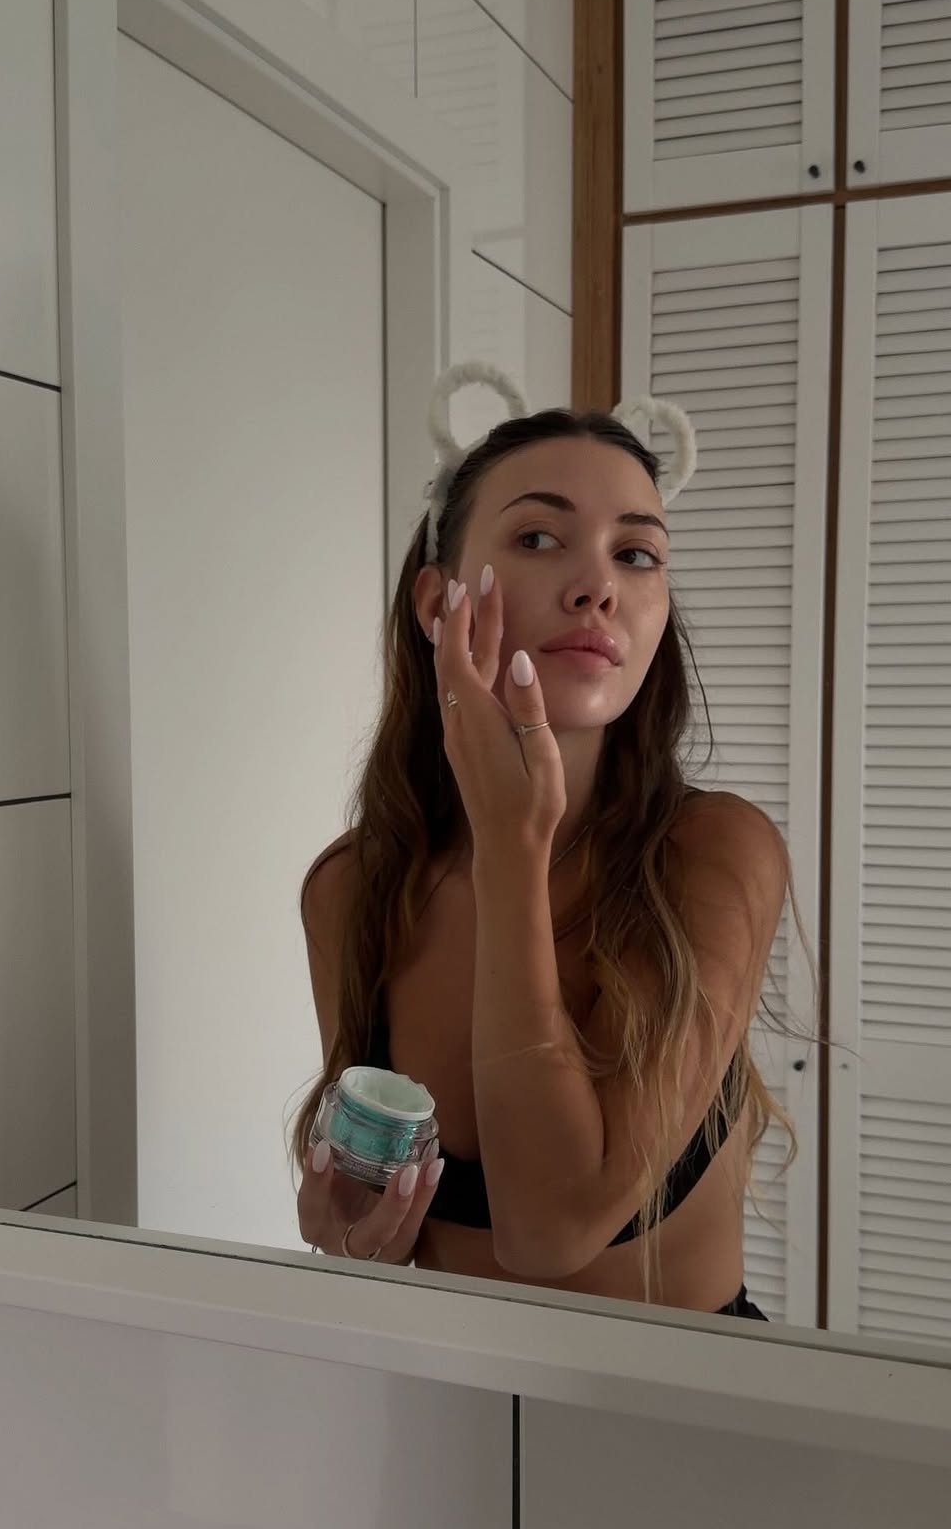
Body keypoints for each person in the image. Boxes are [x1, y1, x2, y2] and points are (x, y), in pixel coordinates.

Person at [293, 366, 793, 1319]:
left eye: (637, 554)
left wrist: (512, 851)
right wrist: (354, 1232)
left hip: (686, 1399)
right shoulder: (353, 888)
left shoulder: (716, 855)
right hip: (448, 1389)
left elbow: (548, 1229)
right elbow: (377, 1212)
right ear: (438, 604)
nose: (598, 586)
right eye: (537, 538)